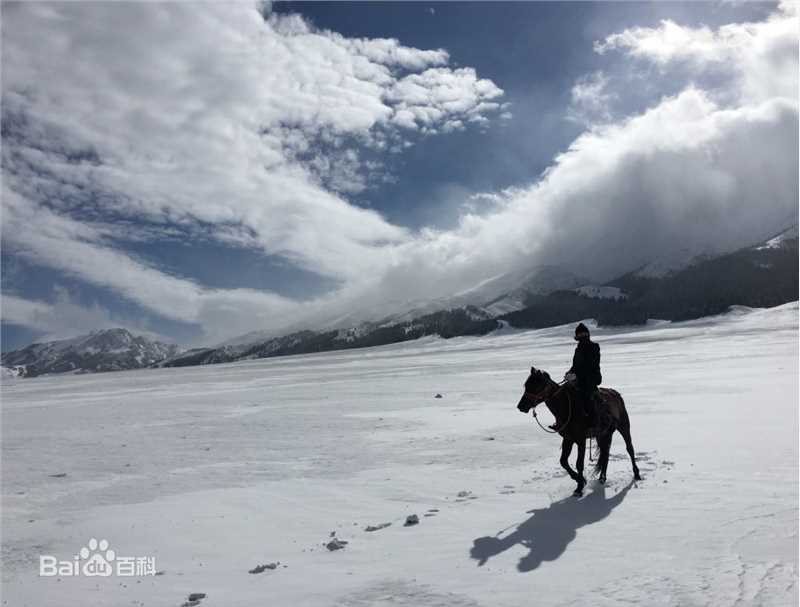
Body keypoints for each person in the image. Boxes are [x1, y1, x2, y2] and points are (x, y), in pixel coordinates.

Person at [561, 322, 602, 428]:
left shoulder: (594, 347)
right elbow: (575, 365)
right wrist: (569, 373)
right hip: (578, 379)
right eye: (580, 335)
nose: (582, 337)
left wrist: (576, 376)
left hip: (591, 378)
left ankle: (592, 421)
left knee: (586, 395)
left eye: (583, 335)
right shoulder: (577, 349)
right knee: (563, 393)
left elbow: (591, 365)